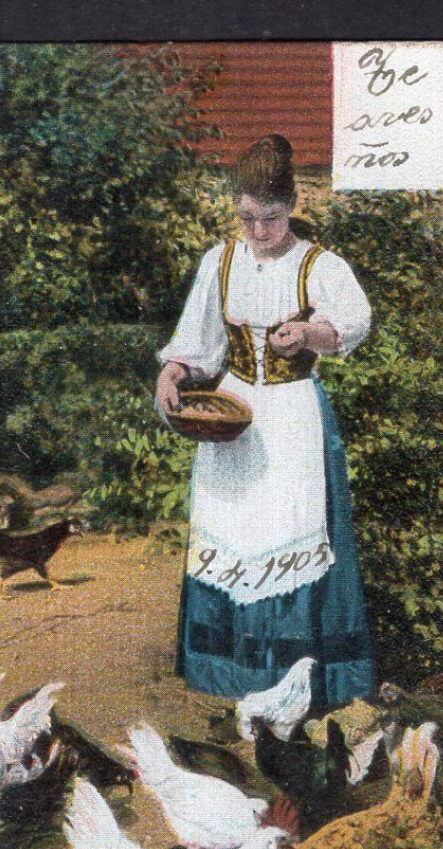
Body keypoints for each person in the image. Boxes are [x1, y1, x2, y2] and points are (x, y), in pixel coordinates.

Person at [156, 134, 375, 710]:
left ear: (293, 205)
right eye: (247, 218)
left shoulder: (319, 266)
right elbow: (197, 344)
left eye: (270, 218)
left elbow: (351, 328)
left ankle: (296, 680)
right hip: (234, 419)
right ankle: (226, 674)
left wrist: (307, 333)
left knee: (289, 534)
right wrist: (173, 374)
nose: (257, 232)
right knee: (233, 531)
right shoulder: (219, 262)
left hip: (293, 417)